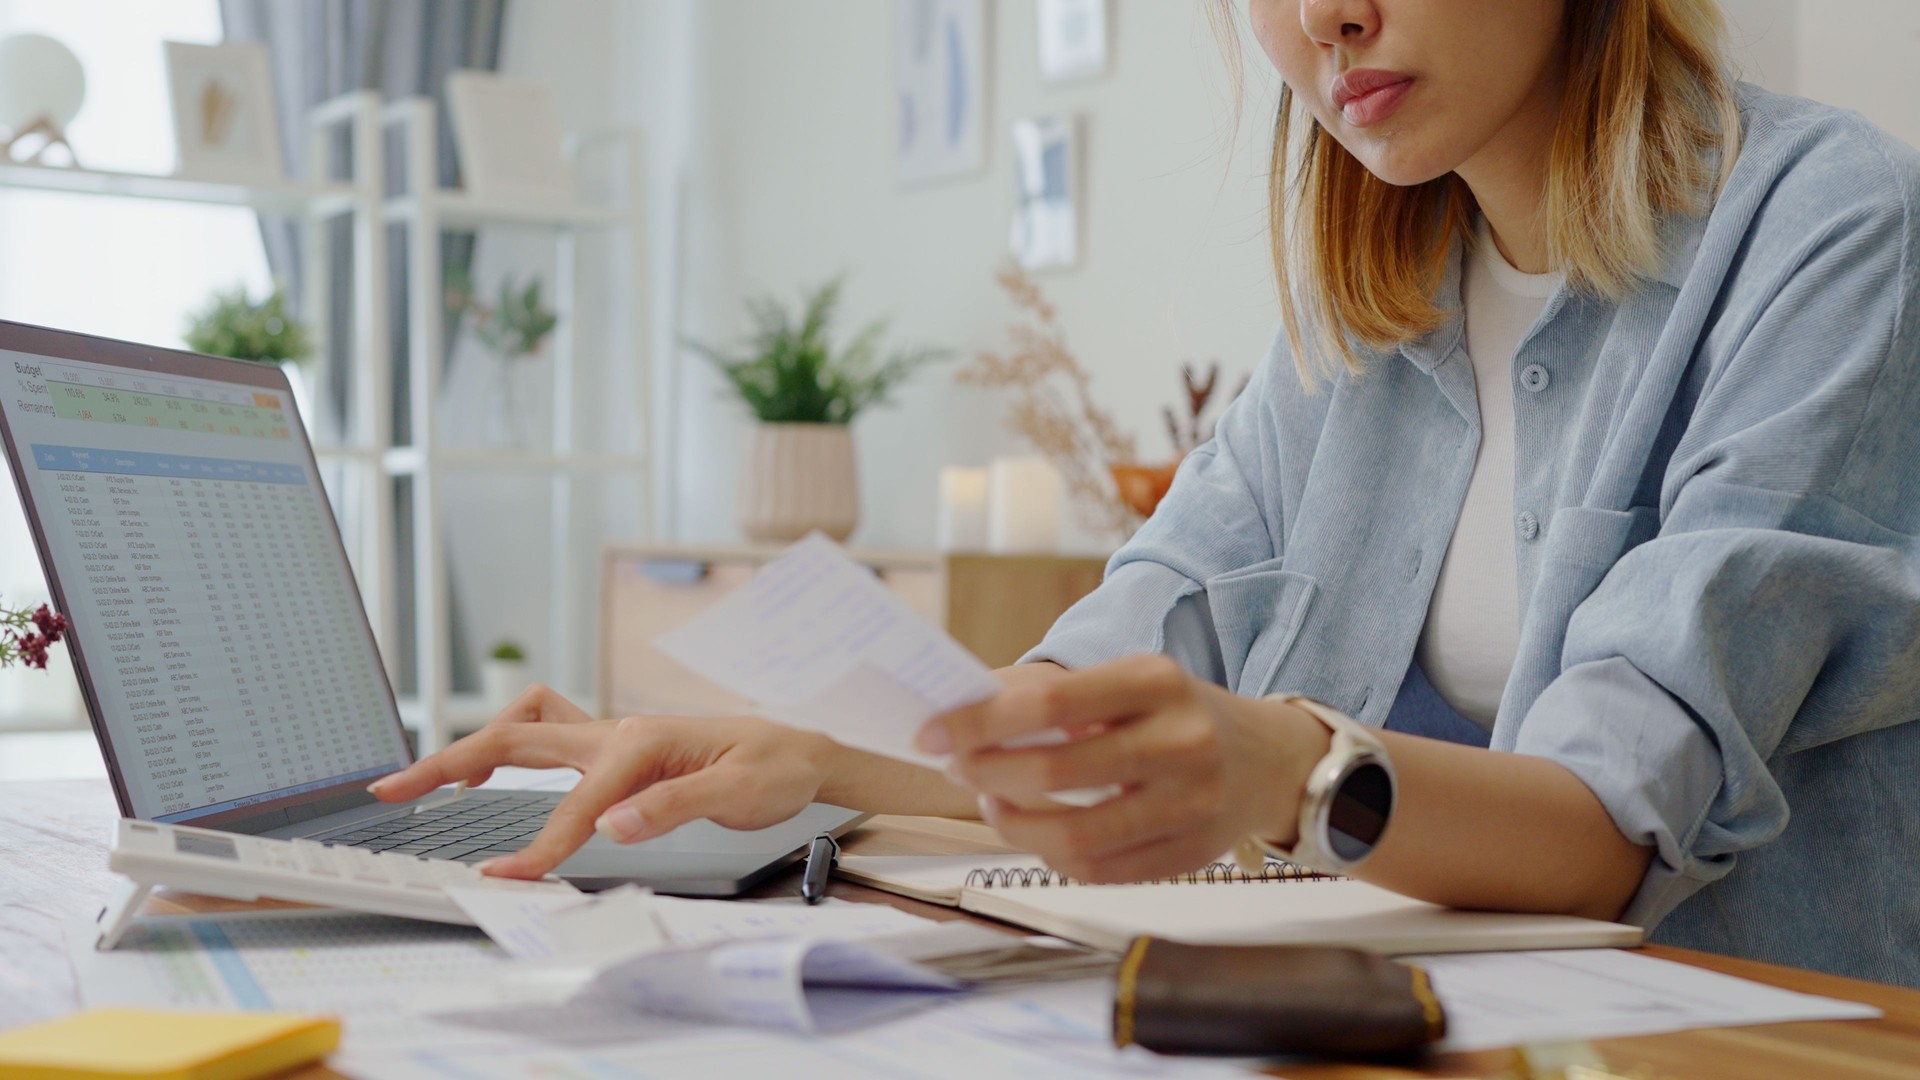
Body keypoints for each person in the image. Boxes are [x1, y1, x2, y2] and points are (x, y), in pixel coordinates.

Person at [373, 0, 1920, 986]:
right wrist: (816, 763)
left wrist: (1285, 770)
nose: (1329, 18)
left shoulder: (1823, 228)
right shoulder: (1356, 328)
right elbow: (1114, 698)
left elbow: (1608, 831)